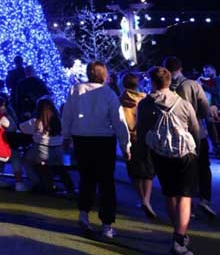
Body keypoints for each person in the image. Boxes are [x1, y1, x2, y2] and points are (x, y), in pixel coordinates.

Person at [137, 66, 202, 255]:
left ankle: (178, 232)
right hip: (185, 153)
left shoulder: (146, 104)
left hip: (160, 153)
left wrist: (141, 153)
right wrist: (196, 148)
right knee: (185, 196)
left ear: (152, 82)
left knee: (170, 194)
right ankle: (179, 238)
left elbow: (142, 131)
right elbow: (195, 128)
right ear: (169, 82)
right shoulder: (182, 103)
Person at [61, 61, 131, 239]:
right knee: (106, 181)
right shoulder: (108, 93)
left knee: (86, 177)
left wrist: (66, 136)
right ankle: (107, 224)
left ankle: (84, 214)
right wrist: (125, 145)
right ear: (104, 75)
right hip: (104, 140)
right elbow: (118, 120)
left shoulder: (76, 90)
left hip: (82, 139)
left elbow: (67, 114)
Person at [165, 56, 216, 218]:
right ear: (181, 67)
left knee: (181, 170)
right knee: (202, 167)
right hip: (196, 133)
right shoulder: (193, 85)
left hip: (173, 135)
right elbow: (205, 109)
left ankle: (186, 203)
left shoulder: (163, 87)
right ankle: (204, 199)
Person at [119, 72, 156, 219]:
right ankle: (147, 199)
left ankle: (141, 198)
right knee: (148, 171)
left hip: (130, 139)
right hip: (145, 138)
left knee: (134, 171)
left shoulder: (119, 101)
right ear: (137, 84)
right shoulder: (145, 99)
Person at [20, 97, 75, 194]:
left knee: (26, 161)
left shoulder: (35, 122)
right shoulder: (60, 122)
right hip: (59, 151)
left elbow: (21, 128)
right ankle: (68, 187)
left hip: (41, 150)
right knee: (57, 166)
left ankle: (37, 183)